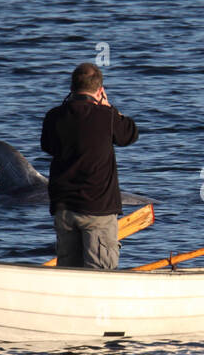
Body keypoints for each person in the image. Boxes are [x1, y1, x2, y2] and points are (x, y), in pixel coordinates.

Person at [40, 62, 139, 269]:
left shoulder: (53, 116)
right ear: (100, 90)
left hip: (64, 207)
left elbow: (47, 147)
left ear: (72, 88)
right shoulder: (107, 116)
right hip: (98, 209)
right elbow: (130, 135)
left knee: (68, 273)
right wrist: (110, 107)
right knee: (100, 273)